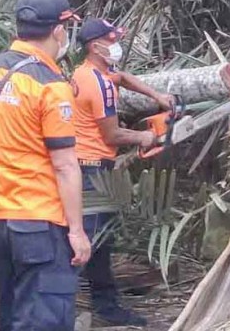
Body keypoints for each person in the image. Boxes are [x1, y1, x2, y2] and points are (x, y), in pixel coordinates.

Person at [0, 0, 91, 331]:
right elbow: (65, 164)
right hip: (38, 223)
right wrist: (78, 231)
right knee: (42, 320)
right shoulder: (50, 86)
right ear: (58, 30)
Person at [71, 18, 174, 326]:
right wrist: (143, 137)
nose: (115, 44)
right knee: (90, 242)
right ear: (94, 46)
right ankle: (71, 308)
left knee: (98, 242)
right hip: (92, 170)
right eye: (111, 39)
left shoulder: (87, 72)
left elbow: (123, 77)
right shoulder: (97, 85)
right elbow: (112, 136)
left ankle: (103, 305)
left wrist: (157, 97)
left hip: (86, 167)